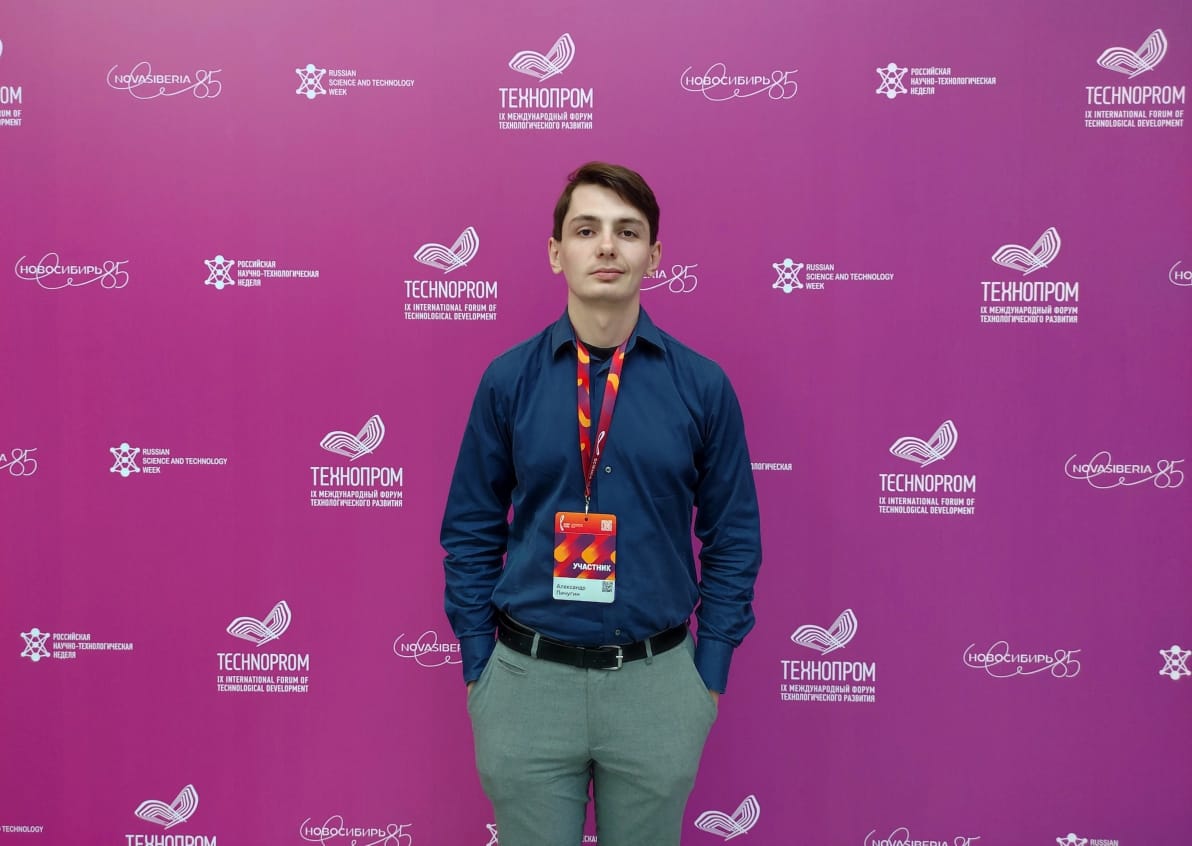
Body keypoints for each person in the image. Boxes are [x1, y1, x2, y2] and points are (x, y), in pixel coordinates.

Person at [441, 162, 762, 846]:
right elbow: (470, 528)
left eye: (628, 231)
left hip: (657, 686)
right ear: (557, 252)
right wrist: (478, 664)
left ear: (655, 255)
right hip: (527, 685)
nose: (608, 246)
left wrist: (707, 676)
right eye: (587, 230)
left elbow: (733, 536)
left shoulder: (702, 387)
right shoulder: (508, 382)